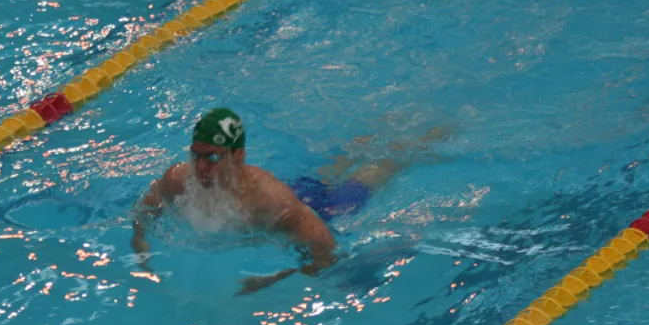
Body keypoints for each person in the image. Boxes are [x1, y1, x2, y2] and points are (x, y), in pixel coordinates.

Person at [130, 107, 444, 295]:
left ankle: (426, 137)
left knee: (374, 171)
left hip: (326, 211)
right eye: (196, 156)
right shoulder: (177, 179)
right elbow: (146, 209)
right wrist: (140, 251)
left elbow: (327, 257)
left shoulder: (275, 206)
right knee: (328, 170)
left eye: (213, 157)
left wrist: (274, 279)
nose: (201, 168)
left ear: (238, 155)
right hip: (295, 187)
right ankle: (370, 135)